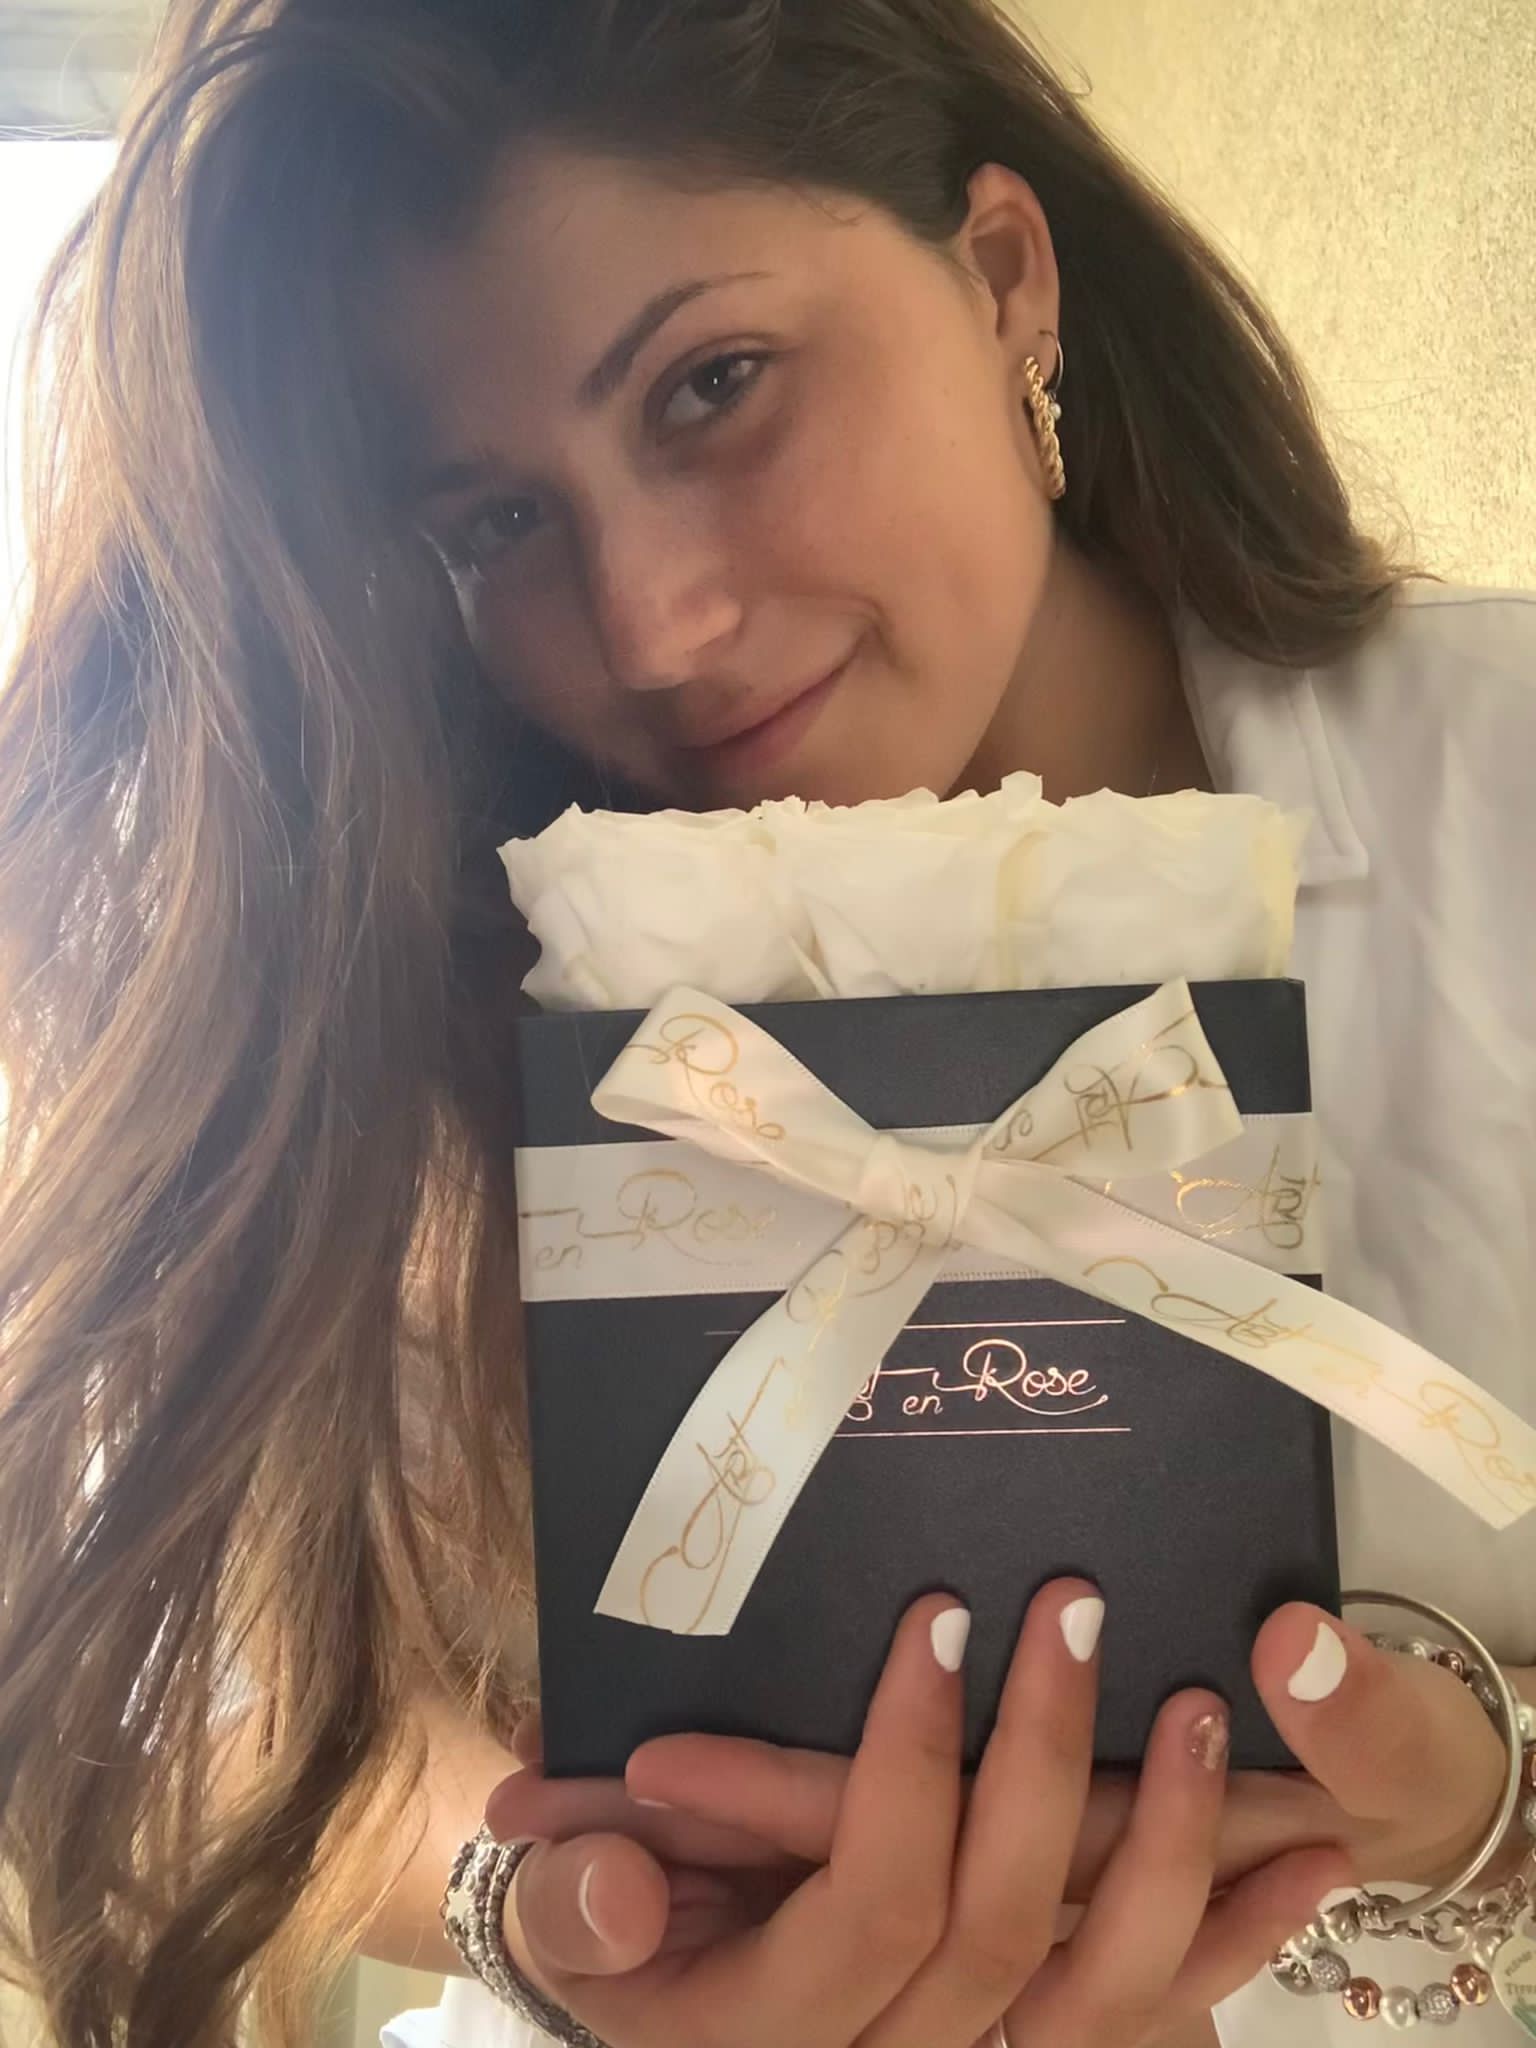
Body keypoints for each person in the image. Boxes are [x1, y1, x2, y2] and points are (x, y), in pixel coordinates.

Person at [0, 0, 1530, 2044]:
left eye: (712, 386)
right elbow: (221, 1685)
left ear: (1005, 276)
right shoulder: (440, 987)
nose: (650, 627)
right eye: (492, 522)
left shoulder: (1499, 788)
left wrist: (1488, 1807)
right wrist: (543, 1908)